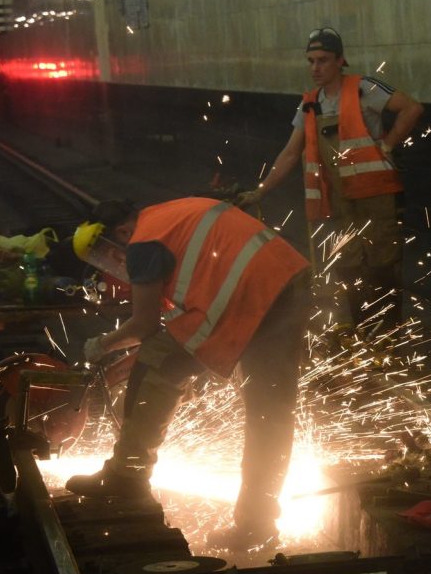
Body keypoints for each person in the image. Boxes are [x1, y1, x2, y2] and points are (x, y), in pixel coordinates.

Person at [65, 197, 311, 551]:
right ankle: (258, 524)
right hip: (288, 279)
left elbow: (146, 326)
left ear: (121, 231)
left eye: (109, 254)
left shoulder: (142, 243)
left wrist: (103, 344)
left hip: (247, 289)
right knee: (270, 410)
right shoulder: (167, 216)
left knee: (158, 362)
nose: (115, 262)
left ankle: (126, 475)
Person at [237, 27, 424, 330]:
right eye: (310, 61)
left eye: (322, 60)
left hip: (377, 197)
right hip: (340, 200)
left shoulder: (363, 88)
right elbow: (288, 154)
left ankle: (388, 334)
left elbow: (412, 109)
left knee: (382, 265)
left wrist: (387, 146)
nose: (315, 68)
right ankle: (361, 331)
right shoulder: (310, 104)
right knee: (348, 266)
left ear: (340, 60)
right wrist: (261, 191)